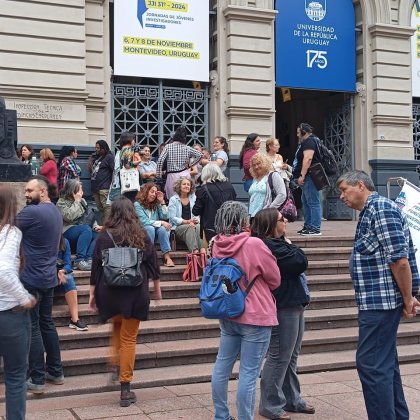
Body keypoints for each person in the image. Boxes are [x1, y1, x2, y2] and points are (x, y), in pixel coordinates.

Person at [337, 170, 420, 420]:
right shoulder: (371, 210)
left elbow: (400, 261)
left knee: (371, 365)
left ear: (360, 185)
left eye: (344, 190)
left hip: (381, 304)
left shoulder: (380, 208)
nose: (341, 196)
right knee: (383, 365)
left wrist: (408, 298)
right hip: (375, 302)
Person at [210, 201, 281, 420]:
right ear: (242, 220)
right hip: (256, 313)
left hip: (228, 311)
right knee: (249, 373)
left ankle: (221, 415)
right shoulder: (253, 244)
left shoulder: (215, 243)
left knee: (222, 366)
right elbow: (274, 278)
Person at [89, 197, 160, 407]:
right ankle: (125, 387)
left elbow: (95, 267)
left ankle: (114, 363)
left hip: (108, 291)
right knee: (129, 338)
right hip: (135, 292)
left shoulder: (104, 236)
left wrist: (92, 294)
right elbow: (153, 264)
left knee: (117, 327)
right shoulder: (141, 234)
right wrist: (157, 289)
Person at [251, 208, 314, 420]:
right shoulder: (268, 245)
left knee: (291, 355)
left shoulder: (279, 244)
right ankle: (270, 404)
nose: (285, 221)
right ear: (270, 224)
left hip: (293, 302)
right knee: (279, 356)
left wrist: (290, 246)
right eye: (281, 219)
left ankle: (292, 399)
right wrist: (291, 247)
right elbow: (299, 262)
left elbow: (298, 259)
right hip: (282, 305)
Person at [16, 175, 65, 393]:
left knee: (33, 326)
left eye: (29, 191)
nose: (26, 194)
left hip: (32, 278)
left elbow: (5, 229)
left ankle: (37, 379)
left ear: (42, 191)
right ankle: (55, 371)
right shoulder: (55, 211)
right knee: (47, 323)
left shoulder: (31, 212)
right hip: (48, 278)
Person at [0, 185, 37, 420]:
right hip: (9, 314)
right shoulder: (10, 232)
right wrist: (25, 297)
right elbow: (3, 270)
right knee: (15, 377)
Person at [56, 179, 100, 271]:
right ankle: (79, 260)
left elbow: (89, 216)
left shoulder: (83, 201)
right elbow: (69, 217)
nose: (82, 192)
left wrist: (95, 226)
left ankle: (88, 259)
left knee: (99, 235)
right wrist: (76, 202)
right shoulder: (61, 202)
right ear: (73, 191)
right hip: (67, 231)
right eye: (80, 190)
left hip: (83, 231)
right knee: (86, 229)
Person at [192, 163, 236, 242]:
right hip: (229, 225)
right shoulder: (229, 186)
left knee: (213, 249)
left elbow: (195, 211)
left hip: (211, 227)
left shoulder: (203, 189)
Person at [134, 182, 175, 267]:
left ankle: (167, 257)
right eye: (151, 192)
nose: (153, 195)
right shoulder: (137, 204)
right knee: (150, 228)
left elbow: (165, 216)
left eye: (155, 193)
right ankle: (149, 256)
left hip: (154, 232)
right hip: (142, 232)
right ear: (146, 191)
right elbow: (143, 221)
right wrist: (161, 222)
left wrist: (162, 202)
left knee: (162, 229)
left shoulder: (156, 205)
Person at [291, 123, 322, 236]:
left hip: (309, 176)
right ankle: (308, 226)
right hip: (308, 177)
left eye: (298, 132)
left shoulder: (309, 141)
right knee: (306, 202)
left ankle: (315, 228)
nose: (297, 135)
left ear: (304, 132)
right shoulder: (307, 142)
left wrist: (302, 175)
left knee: (313, 202)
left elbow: (308, 159)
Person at [156, 126, 202, 199]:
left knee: (173, 199)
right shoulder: (187, 148)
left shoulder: (168, 147)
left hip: (172, 176)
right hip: (185, 175)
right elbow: (200, 155)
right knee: (186, 198)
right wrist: (190, 165)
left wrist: (158, 176)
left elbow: (160, 160)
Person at [55, 236, 88, 331]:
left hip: (60, 273)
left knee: (68, 278)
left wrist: (63, 270)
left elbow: (68, 264)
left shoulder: (64, 241)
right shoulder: (41, 239)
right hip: (47, 273)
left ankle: (75, 319)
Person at [168, 177, 205, 253]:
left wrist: (194, 221)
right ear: (179, 186)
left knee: (199, 227)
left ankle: (203, 251)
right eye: (184, 184)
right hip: (178, 227)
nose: (187, 186)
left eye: (188, 184)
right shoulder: (173, 199)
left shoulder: (194, 198)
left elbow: (197, 214)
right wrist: (187, 221)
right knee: (190, 227)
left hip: (193, 224)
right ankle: (194, 252)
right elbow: (172, 218)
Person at [248, 153, 286, 218]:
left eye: (258, 163)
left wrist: (269, 210)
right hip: (253, 215)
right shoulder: (255, 179)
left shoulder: (273, 175)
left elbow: (282, 194)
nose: (256, 167)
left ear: (265, 163)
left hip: (266, 217)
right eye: (254, 165)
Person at [88, 140, 114, 221]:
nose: (96, 149)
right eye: (96, 148)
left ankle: (107, 227)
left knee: (107, 207)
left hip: (104, 187)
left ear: (103, 148)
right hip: (96, 187)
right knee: (100, 208)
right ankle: (103, 225)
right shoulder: (97, 158)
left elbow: (113, 170)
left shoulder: (109, 157)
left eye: (98, 148)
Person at [119, 131, 141, 202]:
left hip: (125, 178)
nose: (134, 141)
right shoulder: (129, 149)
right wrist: (138, 162)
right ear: (129, 139)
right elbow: (127, 165)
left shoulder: (122, 149)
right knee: (132, 199)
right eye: (133, 139)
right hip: (131, 178)